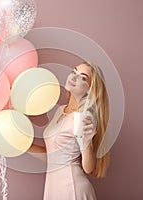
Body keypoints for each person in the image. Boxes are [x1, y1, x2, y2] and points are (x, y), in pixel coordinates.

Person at [28, 61, 110, 200]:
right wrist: (20, 144)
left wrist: (87, 142)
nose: (74, 77)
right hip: (54, 187)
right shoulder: (61, 110)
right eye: (74, 71)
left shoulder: (83, 118)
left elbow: (89, 168)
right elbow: (52, 156)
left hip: (72, 188)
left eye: (83, 77)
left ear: (90, 89)